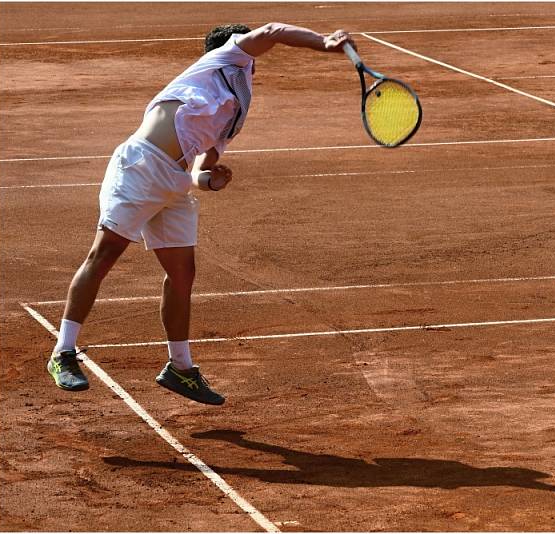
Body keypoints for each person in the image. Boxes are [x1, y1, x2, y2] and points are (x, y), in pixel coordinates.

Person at [46, 23, 357, 405]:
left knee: (182, 274)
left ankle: (180, 368)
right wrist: (324, 43)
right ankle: (63, 352)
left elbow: (198, 171)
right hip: (141, 165)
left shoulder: (236, 108)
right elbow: (274, 29)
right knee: (106, 253)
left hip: (174, 181)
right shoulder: (223, 58)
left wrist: (210, 181)